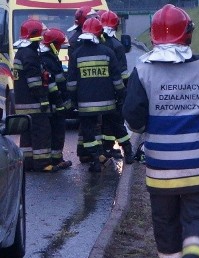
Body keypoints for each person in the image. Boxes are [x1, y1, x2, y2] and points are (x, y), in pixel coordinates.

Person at [123, 4, 199, 258]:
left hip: (161, 170)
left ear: (153, 36)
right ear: (188, 35)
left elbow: (134, 118)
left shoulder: (142, 70)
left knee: (166, 223)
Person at [67, 16, 126, 172]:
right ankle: (125, 152)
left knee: (89, 133)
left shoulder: (76, 54)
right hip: (107, 103)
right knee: (109, 127)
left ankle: (95, 159)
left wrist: (73, 100)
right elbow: (117, 79)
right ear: (100, 34)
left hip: (85, 105)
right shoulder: (108, 52)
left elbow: (72, 82)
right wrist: (121, 95)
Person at [13, 19, 58, 172]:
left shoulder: (20, 52)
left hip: (22, 103)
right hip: (34, 103)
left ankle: (28, 163)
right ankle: (43, 164)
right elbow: (33, 82)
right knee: (42, 132)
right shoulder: (30, 55)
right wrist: (43, 99)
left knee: (26, 135)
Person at [96, 10, 133, 161]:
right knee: (117, 122)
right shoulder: (117, 46)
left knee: (104, 121)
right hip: (115, 92)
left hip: (100, 91)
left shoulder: (96, 44)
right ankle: (128, 152)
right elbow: (123, 74)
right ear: (116, 27)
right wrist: (123, 92)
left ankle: (107, 148)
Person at [39, 28, 73, 169]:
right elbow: (54, 84)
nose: (60, 47)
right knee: (58, 132)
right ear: (52, 44)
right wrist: (60, 103)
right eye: (59, 44)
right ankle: (57, 160)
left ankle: (55, 159)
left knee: (54, 132)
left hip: (53, 102)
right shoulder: (49, 60)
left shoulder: (49, 58)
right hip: (54, 103)